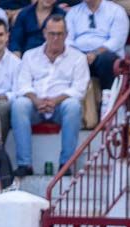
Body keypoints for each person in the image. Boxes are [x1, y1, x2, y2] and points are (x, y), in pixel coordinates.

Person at [12, 16, 88, 177]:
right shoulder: (30, 55)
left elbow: (79, 90)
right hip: (35, 106)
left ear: (66, 35)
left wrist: (55, 100)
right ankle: (24, 164)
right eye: (52, 33)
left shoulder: (78, 58)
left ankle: (66, 164)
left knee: (73, 106)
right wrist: (36, 100)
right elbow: (22, 85)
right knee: (19, 105)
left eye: (60, 34)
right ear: (44, 33)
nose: (55, 38)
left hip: (61, 106)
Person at [64, 0, 127, 90]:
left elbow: (117, 41)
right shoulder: (73, 12)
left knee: (106, 59)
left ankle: (108, 97)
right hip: (79, 54)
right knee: (65, 57)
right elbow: (67, 39)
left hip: (104, 54)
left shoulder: (116, 11)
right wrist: (78, 55)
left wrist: (95, 52)